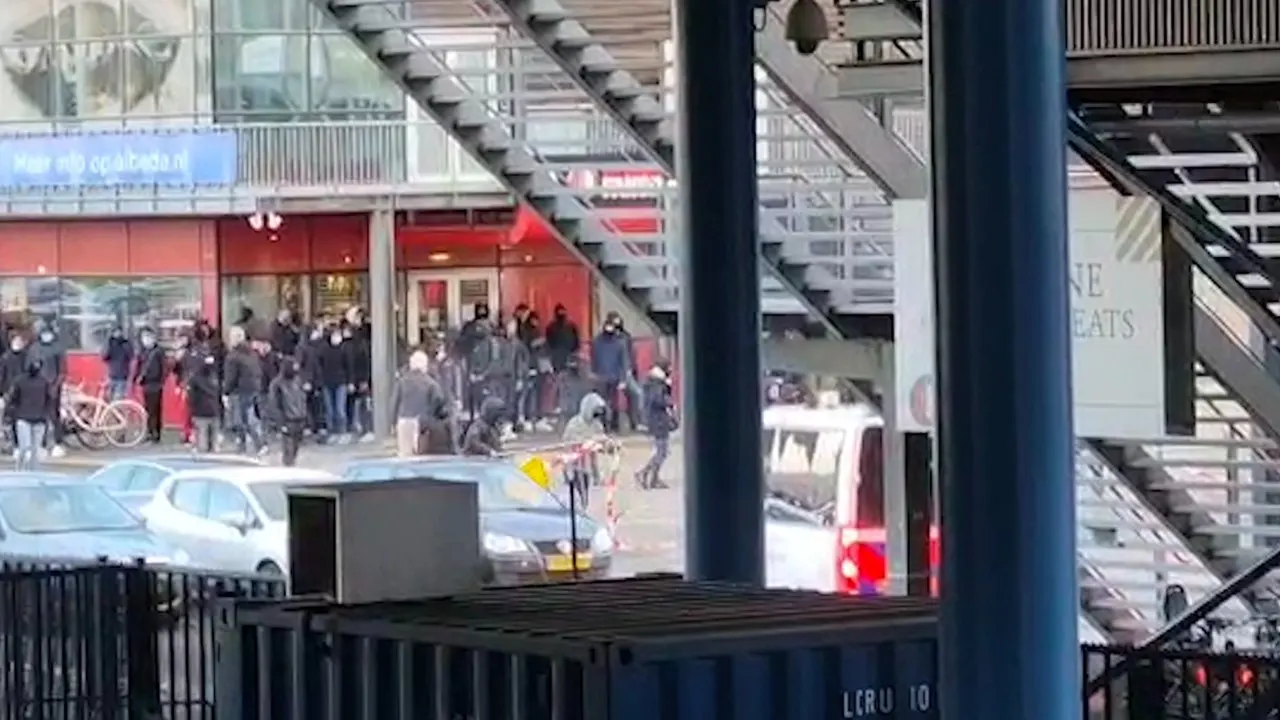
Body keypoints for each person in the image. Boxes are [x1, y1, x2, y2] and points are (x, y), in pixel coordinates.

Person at [390, 350, 445, 457]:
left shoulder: (402, 381)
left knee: (405, 455)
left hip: (404, 420)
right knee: (420, 456)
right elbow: (439, 401)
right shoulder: (430, 383)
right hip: (422, 423)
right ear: (425, 365)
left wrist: (393, 423)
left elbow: (394, 402)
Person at [223, 326, 266, 455]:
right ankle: (250, 445)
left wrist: (225, 392)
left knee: (242, 420)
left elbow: (230, 377)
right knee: (248, 418)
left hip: (239, 390)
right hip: (253, 388)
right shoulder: (252, 353)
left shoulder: (233, 356)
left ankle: (255, 444)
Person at [561, 392, 608, 506]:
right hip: (575, 465)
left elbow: (599, 443)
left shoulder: (596, 425)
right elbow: (568, 444)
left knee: (584, 493)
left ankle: (583, 507)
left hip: (586, 467)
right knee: (576, 493)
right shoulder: (575, 424)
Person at [6, 359, 54, 470]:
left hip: (31, 418)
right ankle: (24, 471)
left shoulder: (23, 381)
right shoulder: (43, 382)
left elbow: (12, 399)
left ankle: (27, 471)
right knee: (28, 448)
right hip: (30, 418)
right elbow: (50, 400)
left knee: (32, 449)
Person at [636, 364, 676, 489]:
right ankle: (644, 473)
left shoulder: (652, 381)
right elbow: (658, 400)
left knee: (661, 451)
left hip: (655, 419)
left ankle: (653, 478)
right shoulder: (657, 383)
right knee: (661, 451)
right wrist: (669, 402)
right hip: (658, 420)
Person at [30, 326, 66, 457]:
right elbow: (29, 368)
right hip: (37, 389)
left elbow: (62, 371)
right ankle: (41, 444)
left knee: (53, 416)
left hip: (52, 387)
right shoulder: (34, 349)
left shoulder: (57, 348)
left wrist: (56, 386)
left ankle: (58, 443)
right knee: (39, 418)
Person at [590, 319, 631, 433]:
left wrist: (623, 378)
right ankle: (608, 425)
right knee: (607, 403)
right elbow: (624, 361)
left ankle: (610, 425)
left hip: (608, 377)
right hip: (606, 377)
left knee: (610, 403)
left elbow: (624, 361)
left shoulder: (599, 342)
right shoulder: (617, 342)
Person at [267, 358, 309, 466]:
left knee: (295, 447)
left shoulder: (298, 380)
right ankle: (289, 466)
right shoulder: (277, 384)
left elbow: (303, 400)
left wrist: (306, 417)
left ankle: (291, 464)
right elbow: (274, 405)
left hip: (299, 418)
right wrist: (280, 423)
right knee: (288, 449)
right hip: (287, 419)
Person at [608, 313, 644, 431]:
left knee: (635, 395)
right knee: (613, 399)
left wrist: (632, 369)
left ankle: (635, 422)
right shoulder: (608, 338)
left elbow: (630, 354)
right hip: (615, 373)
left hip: (627, 372)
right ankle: (613, 424)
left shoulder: (625, 336)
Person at [316, 326, 352, 443]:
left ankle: (342, 431)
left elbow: (349, 366)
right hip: (328, 382)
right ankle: (332, 432)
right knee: (330, 410)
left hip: (340, 381)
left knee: (339, 409)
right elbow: (319, 365)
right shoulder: (323, 349)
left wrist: (350, 381)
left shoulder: (344, 349)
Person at [133, 329, 168, 444]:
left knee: (155, 410)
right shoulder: (142, 351)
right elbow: (138, 366)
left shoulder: (159, 351)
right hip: (146, 383)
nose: (146, 339)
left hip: (156, 383)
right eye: (144, 337)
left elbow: (164, 367)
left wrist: (162, 381)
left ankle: (155, 434)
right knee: (147, 409)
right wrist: (135, 379)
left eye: (148, 337)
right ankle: (149, 432)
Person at [343, 321, 374, 442]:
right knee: (360, 404)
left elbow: (363, 363)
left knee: (363, 405)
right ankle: (360, 427)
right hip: (357, 379)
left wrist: (364, 380)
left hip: (359, 379)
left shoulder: (359, 346)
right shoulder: (356, 345)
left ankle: (365, 428)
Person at [187, 355, 221, 453]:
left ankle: (202, 449)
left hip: (200, 411)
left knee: (201, 433)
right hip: (214, 410)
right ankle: (214, 448)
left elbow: (191, 396)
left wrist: (192, 409)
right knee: (214, 434)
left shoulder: (194, 379)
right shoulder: (215, 378)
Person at [544, 304, 580, 374]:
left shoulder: (551, 327)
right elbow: (576, 342)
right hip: (564, 355)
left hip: (560, 356)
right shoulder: (571, 326)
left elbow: (549, 342)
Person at [101, 326, 133, 401]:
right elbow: (104, 356)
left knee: (118, 399)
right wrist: (108, 342)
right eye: (115, 332)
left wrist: (124, 344)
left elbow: (131, 355)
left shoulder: (126, 343)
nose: (117, 334)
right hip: (111, 376)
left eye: (119, 332)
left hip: (122, 376)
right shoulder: (109, 343)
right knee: (108, 398)